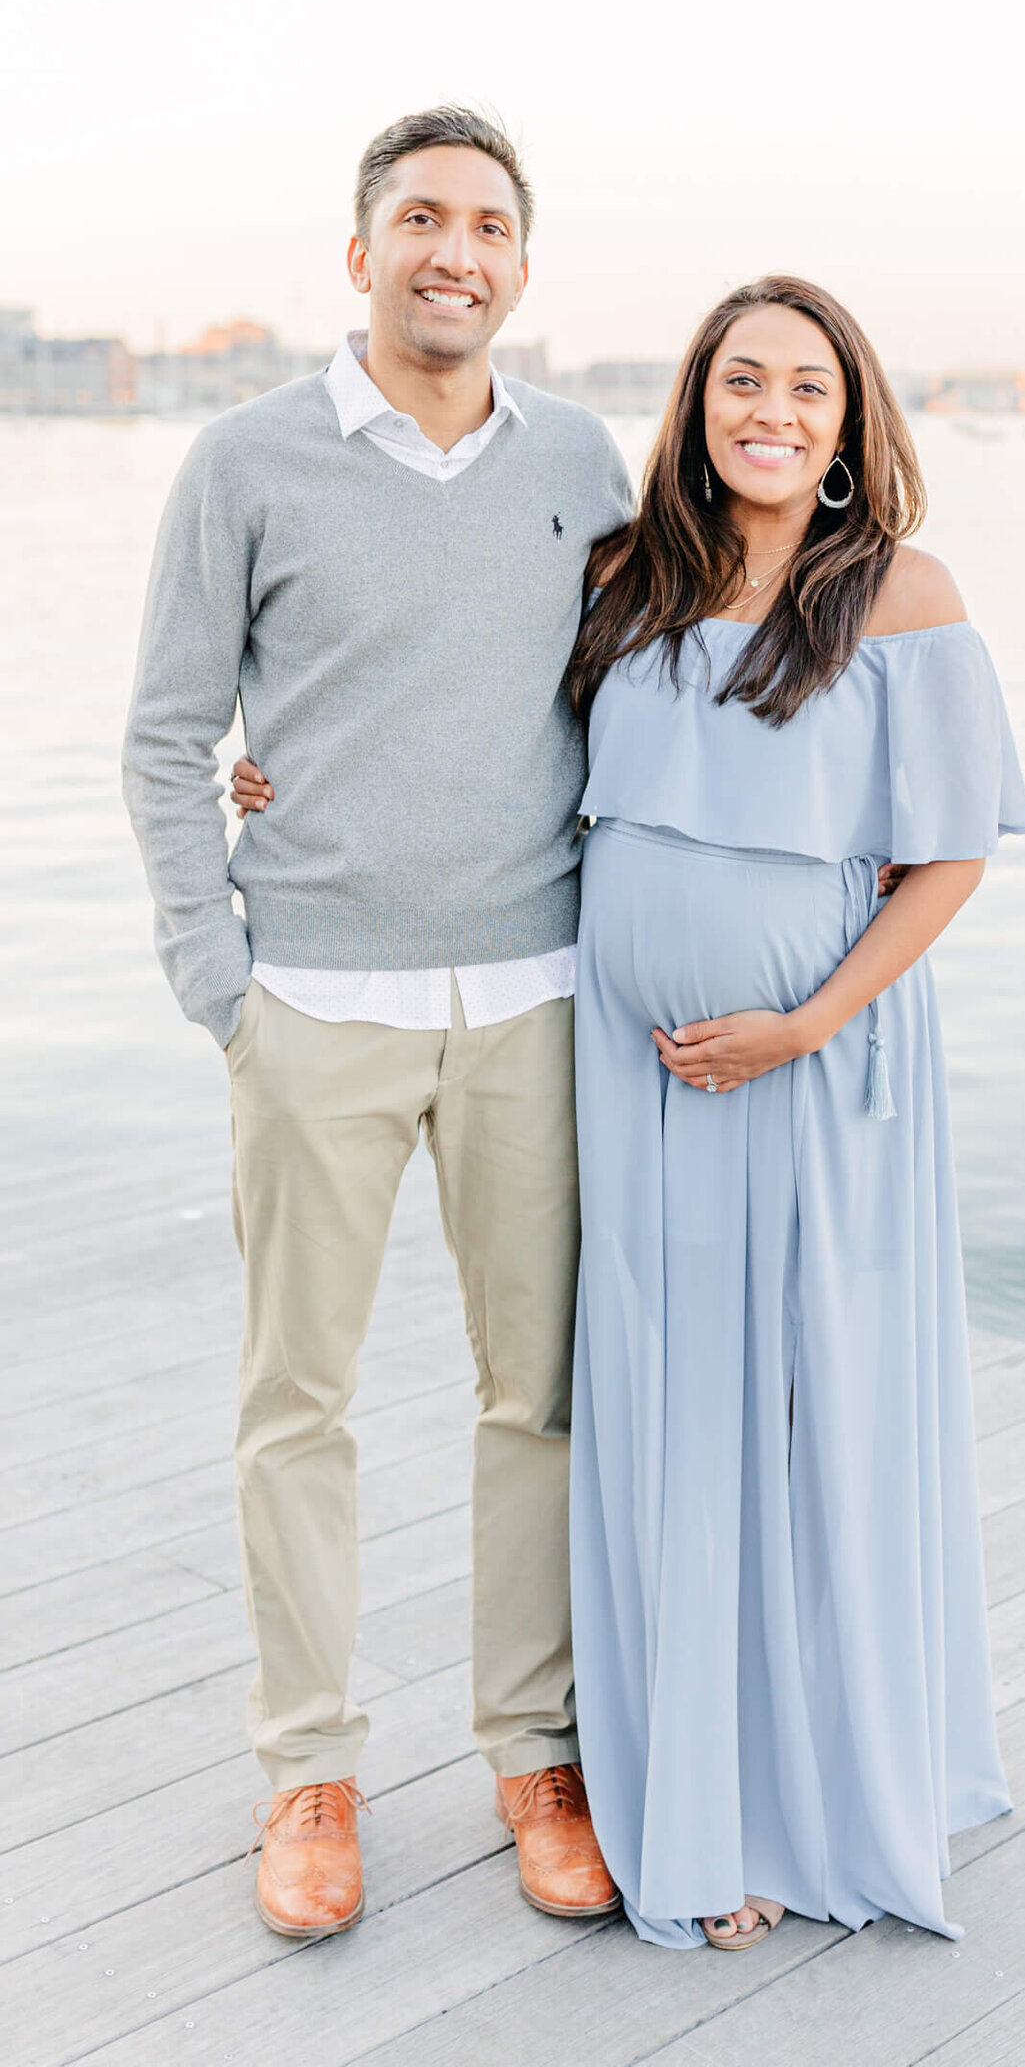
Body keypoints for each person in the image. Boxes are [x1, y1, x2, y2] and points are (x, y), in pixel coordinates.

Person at [123, 107, 627, 1938]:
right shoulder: (248, 463)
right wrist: (216, 977)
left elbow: (669, 684)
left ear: (519, 266)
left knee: (545, 1402)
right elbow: (169, 734)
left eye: (488, 224)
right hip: (314, 1006)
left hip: (535, 1002)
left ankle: (534, 1751)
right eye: (420, 217)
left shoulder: (580, 458)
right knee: (296, 1408)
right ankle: (310, 1770)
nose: (454, 251)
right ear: (361, 253)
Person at [563, 274, 1025, 1947]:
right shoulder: (628, 579)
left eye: (808, 393)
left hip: (814, 1071)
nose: (771, 410)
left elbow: (950, 854)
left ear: (850, 428)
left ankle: (788, 1802)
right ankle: (675, 1773)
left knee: (800, 1412)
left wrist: (803, 1024)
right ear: (694, 404)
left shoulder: (901, 593)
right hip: (632, 1080)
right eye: (741, 381)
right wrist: (263, 768)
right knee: (667, 1408)